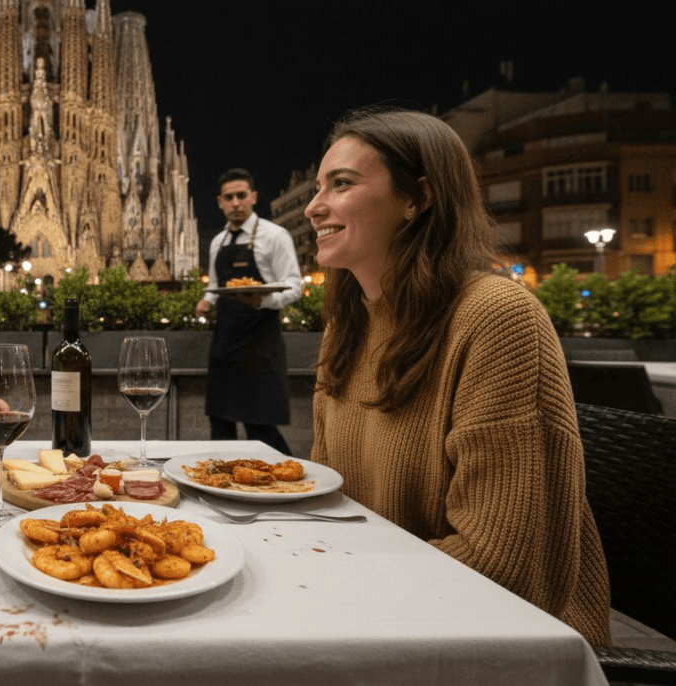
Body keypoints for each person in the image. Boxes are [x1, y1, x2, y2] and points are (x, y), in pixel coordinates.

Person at [304, 108, 611, 645]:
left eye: (342, 184)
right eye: (317, 186)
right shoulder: (347, 327)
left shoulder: (497, 319)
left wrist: (330, 575)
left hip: (502, 644)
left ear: (416, 199)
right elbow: (328, 498)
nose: (313, 207)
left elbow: (502, 563)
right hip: (380, 608)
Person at [195, 169, 302, 454]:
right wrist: (207, 302)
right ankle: (220, 488)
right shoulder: (218, 242)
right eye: (229, 197)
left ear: (253, 197)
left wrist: (260, 301)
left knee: (261, 428)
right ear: (220, 202)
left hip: (260, 347)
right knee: (220, 426)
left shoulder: (275, 236)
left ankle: (288, 482)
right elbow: (216, 286)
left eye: (241, 196)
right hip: (224, 346)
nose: (236, 203)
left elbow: (294, 286)